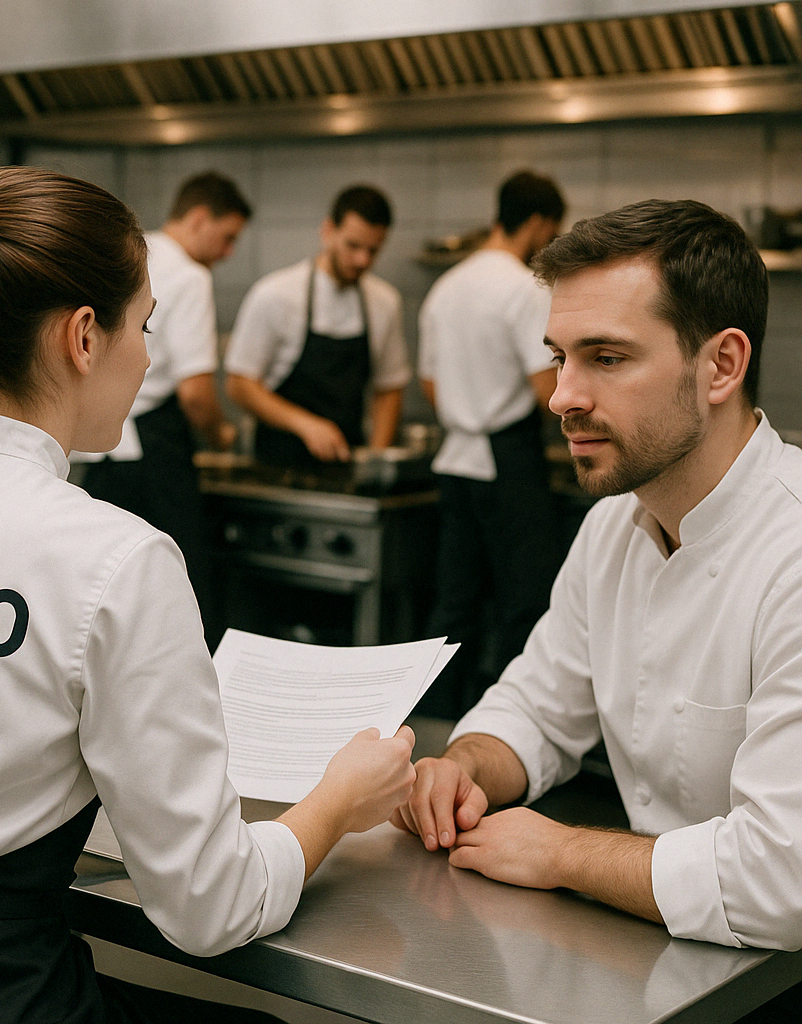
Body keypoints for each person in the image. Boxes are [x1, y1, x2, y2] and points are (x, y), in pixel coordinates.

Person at [0, 166, 417, 1024]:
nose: (149, 354)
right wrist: (339, 801)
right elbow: (208, 908)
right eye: (144, 324)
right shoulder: (113, 558)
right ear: (83, 336)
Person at [393, 199, 802, 980]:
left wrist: (559, 851)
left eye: (606, 358)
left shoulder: (793, 554)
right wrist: (470, 764)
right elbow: (540, 708)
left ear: (721, 365)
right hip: (665, 959)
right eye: (559, 357)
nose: (561, 397)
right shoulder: (615, 528)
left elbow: (782, 880)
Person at [417, 170, 566, 719]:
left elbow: (430, 384)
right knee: (522, 604)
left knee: (453, 606)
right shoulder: (525, 287)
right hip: (507, 462)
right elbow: (547, 387)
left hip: (454, 461)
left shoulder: (447, 287)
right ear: (538, 223)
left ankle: (431, 732)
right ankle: (506, 731)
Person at [76, 171, 248, 647]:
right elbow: (195, 393)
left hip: (106, 452)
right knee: (181, 582)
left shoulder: (126, 253)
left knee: (111, 585)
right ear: (198, 219)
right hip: (155, 447)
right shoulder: (191, 277)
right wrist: (223, 436)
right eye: (228, 237)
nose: (228, 251)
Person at [224, 185, 410, 470]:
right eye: (353, 246)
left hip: (348, 462)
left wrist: (375, 456)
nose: (363, 260)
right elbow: (240, 384)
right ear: (327, 230)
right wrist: (305, 424)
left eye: (373, 250)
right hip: (278, 466)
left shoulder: (385, 302)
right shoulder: (275, 294)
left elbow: (389, 388)